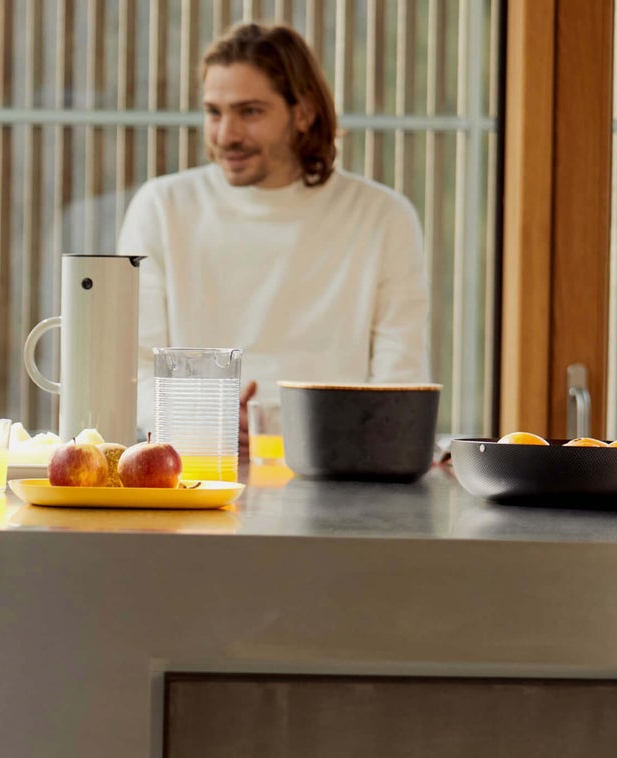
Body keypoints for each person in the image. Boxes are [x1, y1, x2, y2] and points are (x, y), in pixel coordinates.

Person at [118, 23, 430, 446]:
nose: (226, 135)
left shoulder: (384, 217)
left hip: (338, 471)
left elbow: (400, 385)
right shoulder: (161, 207)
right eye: (214, 112)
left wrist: (292, 434)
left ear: (302, 113)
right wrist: (206, 419)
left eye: (249, 112)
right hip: (196, 464)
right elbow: (131, 370)